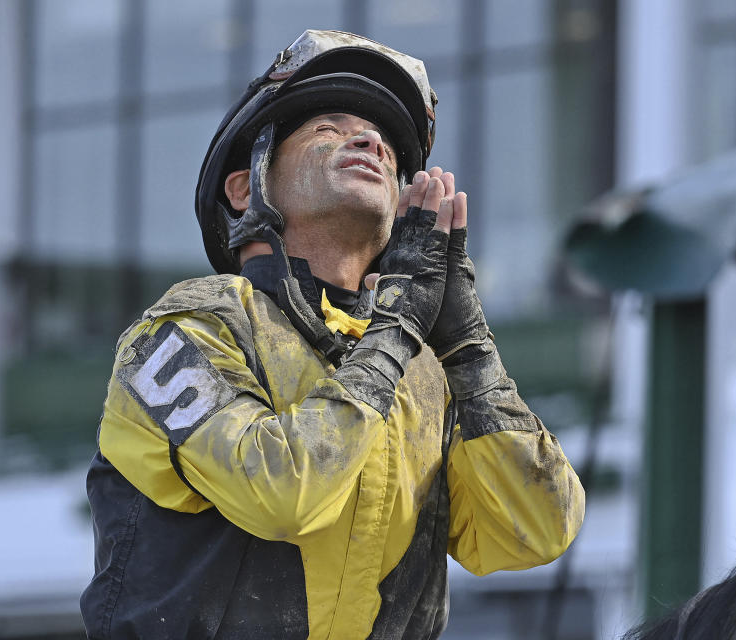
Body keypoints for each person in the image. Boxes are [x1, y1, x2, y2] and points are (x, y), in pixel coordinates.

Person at [81, 30, 584, 640]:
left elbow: (537, 529)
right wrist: (399, 327)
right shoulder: (186, 327)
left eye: (390, 151)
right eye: (330, 127)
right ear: (245, 189)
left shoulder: (421, 373)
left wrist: (466, 344)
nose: (370, 140)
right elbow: (280, 493)